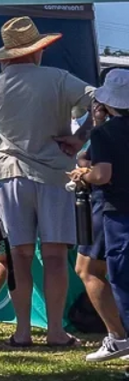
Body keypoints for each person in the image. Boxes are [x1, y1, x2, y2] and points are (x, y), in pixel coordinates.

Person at [0, 15, 94, 349]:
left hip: (11, 174)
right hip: (55, 173)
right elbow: (98, 102)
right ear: (38, 50)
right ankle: (56, 329)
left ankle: (23, 330)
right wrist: (80, 136)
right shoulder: (58, 79)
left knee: (18, 257)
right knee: (55, 257)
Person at [73, 65, 129, 359]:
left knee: (97, 273)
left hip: (112, 211)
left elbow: (103, 173)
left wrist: (83, 176)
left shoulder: (105, 133)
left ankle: (118, 336)